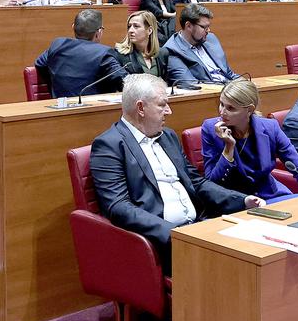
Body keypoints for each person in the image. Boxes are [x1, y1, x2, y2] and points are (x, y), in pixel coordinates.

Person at [88, 74, 262, 268]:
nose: (169, 111)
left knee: (258, 250)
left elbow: (197, 182)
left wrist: (242, 200)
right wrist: (174, 233)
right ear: (140, 108)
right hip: (160, 242)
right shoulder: (109, 145)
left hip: (199, 227)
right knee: (238, 266)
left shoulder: (168, 136)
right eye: (162, 105)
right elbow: (119, 207)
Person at [200, 78, 298, 202]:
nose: (222, 112)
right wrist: (229, 148)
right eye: (221, 104)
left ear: (249, 110)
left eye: (231, 108)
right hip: (236, 202)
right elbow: (212, 183)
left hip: (270, 196)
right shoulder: (211, 130)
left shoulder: (270, 127)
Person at [35, 9, 124, 98]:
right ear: (98, 33)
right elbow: (125, 83)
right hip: (92, 109)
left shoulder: (58, 44)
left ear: (73, 27)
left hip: (59, 107)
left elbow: (40, 64)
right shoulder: (104, 53)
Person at [161, 3, 239, 89]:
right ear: (189, 26)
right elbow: (192, 85)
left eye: (208, 27)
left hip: (231, 89)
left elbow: (229, 73)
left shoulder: (210, 39)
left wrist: (246, 85)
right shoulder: (172, 50)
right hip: (212, 94)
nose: (208, 31)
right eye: (204, 27)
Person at [114, 11, 166, 78]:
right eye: (129, 26)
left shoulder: (163, 54)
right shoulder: (120, 55)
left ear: (150, 30)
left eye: (136, 26)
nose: (130, 30)